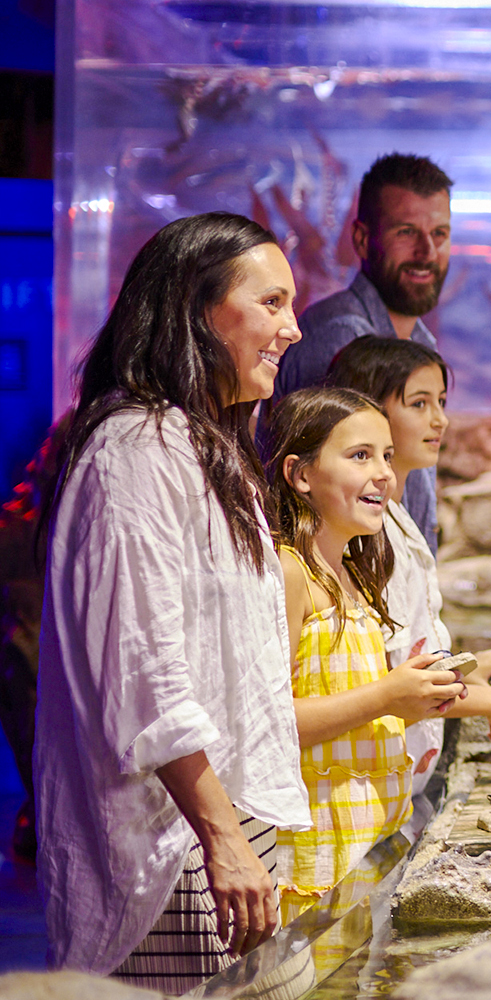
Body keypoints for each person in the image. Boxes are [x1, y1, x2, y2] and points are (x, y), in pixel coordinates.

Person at [35, 212, 311, 991]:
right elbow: (143, 669)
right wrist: (221, 836)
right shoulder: (136, 450)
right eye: (271, 303)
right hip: (168, 847)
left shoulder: (201, 443)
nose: (291, 328)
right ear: (197, 307)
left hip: (222, 823)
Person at [261, 387, 469, 921]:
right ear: (301, 474)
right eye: (360, 456)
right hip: (315, 859)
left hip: (368, 848)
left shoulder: (354, 575)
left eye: (386, 456)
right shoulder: (289, 574)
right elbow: (272, 724)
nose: (384, 474)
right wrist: (385, 696)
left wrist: (417, 693)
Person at [323, 335, 491, 835]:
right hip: (367, 800)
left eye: (441, 402)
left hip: (402, 789)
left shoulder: (392, 516)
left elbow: (412, 649)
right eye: (419, 404)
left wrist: (470, 665)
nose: (439, 419)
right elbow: (393, 678)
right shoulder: (364, 532)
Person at [262, 152, 454, 554]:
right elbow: (318, 505)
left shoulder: (421, 343)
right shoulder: (340, 339)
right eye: (406, 232)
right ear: (363, 239)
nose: (426, 251)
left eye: (439, 234)